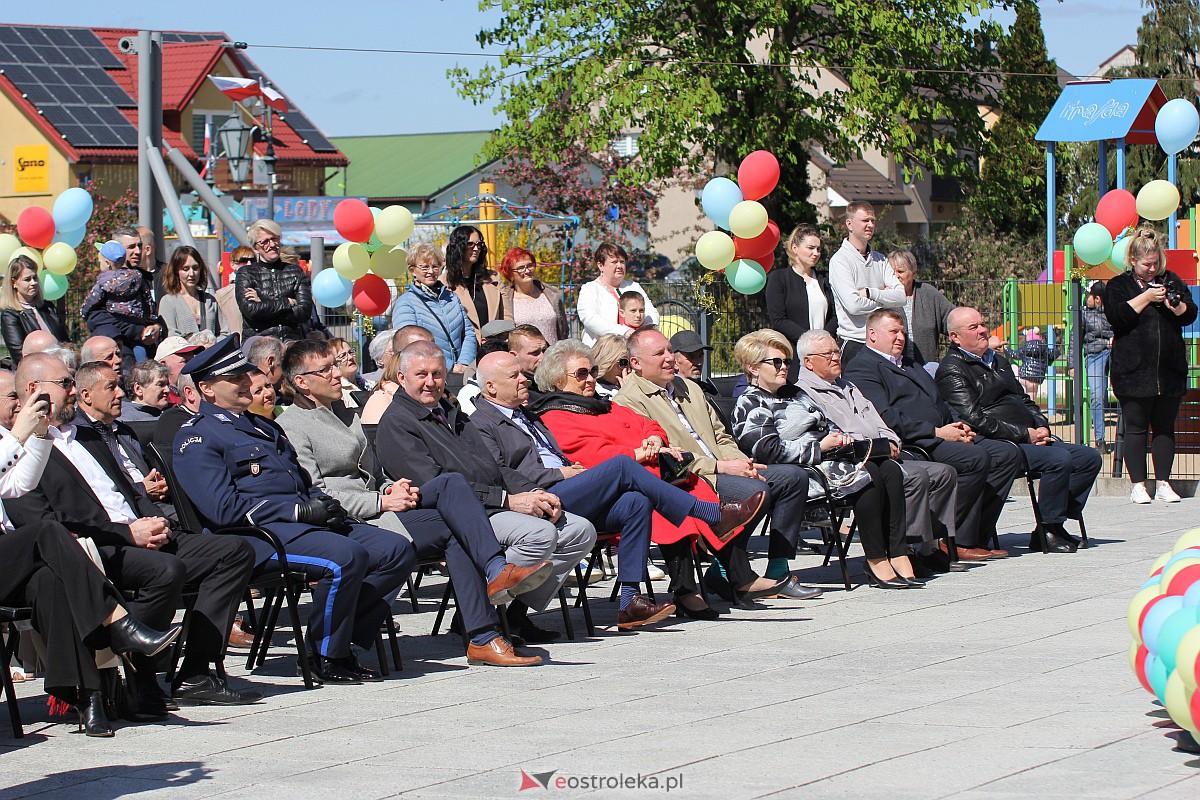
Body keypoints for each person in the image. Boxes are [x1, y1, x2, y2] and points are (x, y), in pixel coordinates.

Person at [6, 354, 259, 711]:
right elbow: (46, 527)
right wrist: (127, 534)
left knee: (233, 551)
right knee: (166, 571)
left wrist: (154, 521)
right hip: (94, 547)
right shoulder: (26, 452)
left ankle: (195, 673)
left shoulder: (90, 435)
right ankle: (140, 674)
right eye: (66, 385)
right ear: (35, 390)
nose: (74, 392)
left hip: (139, 533)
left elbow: (125, 491)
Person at [277, 340, 549, 663]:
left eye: (335, 366)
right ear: (302, 382)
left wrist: (394, 488)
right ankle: (486, 624)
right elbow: (318, 493)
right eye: (326, 369)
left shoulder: (345, 414)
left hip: (383, 506)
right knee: (453, 516)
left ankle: (486, 622)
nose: (337, 374)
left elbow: (374, 472)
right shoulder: (292, 426)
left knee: (452, 488)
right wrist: (381, 502)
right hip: (352, 519)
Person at [171, 335, 416, 684]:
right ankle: (328, 656)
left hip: (305, 525)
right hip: (256, 537)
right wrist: (300, 513)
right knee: (344, 558)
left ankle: (335, 636)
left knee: (396, 550)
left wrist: (324, 504)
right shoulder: (198, 437)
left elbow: (300, 481)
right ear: (208, 389)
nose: (246, 383)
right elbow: (224, 510)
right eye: (235, 379)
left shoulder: (264, 426)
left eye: (245, 375)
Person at [473, 350, 767, 627]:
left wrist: (654, 441)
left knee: (636, 501)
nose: (524, 378)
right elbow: (500, 473)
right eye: (514, 376)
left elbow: (641, 425)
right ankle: (711, 515)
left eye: (594, 372)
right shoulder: (484, 422)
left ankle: (629, 601)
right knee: (624, 467)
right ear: (491, 386)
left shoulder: (526, 413)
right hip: (541, 494)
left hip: (571, 486)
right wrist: (559, 472)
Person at [374, 340, 596, 638]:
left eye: (438, 374)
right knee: (539, 534)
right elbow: (436, 487)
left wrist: (534, 492)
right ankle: (479, 612)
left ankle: (513, 614)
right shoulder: (398, 423)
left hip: (491, 502)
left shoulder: (451, 413)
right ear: (402, 378)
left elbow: (495, 467)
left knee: (579, 530)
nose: (431, 383)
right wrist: (507, 501)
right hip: (457, 516)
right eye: (421, 375)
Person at [616, 329, 811, 602]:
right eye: (659, 354)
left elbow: (721, 435)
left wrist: (739, 460)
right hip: (692, 477)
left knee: (793, 478)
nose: (670, 358)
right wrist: (721, 467)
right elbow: (663, 456)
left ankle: (777, 568)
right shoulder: (628, 400)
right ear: (636, 363)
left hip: (724, 466)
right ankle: (728, 570)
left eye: (670, 351)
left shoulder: (690, 387)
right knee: (754, 491)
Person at [731, 330, 920, 588]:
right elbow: (766, 450)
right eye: (776, 362)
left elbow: (826, 423)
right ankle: (875, 560)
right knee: (870, 475)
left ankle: (897, 552)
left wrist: (838, 438)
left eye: (787, 361)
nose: (784, 367)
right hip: (801, 470)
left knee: (889, 469)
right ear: (754, 368)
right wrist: (819, 447)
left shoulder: (795, 394)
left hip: (830, 460)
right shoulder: (750, 403)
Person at [844, 309, 1020, 561]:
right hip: (915, 442)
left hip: (944, 433)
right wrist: (936, 431)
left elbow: (940, 400)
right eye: (893, 332)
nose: (901, 338)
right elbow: (885, 417)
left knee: (1006, 453)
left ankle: (974, 533)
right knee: (976, 458)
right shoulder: (863, 368)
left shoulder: (910, 363)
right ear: (872, 334)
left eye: (903, 332)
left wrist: (959, 425)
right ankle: (951, 539)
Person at [937, 307, 1103, 553]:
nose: (983, 330)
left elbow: (1024, 400)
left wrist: (1041, 426)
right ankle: (1049, 527)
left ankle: (1051, 523)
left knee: (1088, 458)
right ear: (955, 337)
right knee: (1058, 459)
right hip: (997, 442)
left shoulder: (999, 361)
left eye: (982, 324)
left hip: (1028, 437)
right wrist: (1025, 434)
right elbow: (975, 419)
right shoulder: (953, 369)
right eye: (973, 328)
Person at [792, 329, 960, 571]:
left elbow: (879, 420)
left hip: (881, 453)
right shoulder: (805, 394)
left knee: (943, 473)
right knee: (915, 476)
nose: (835, 357)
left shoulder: (847, 385)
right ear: (808, 361)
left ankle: (928, 547)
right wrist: (877, 447)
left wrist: (891, 441)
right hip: (853, 462)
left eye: (836, 352)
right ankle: (904, 548)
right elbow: (836, 436)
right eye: (827, 354)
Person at [1105, 227, 1199, 504]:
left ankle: (1164, 482)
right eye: (1147, 264)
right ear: (1133, 260)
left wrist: (1175, 304)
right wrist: (1146, 297)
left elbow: (1189, 314)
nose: (1152, 268)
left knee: (1165, 428)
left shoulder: (1171, 280)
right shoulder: (1118, 285)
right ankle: (1138, 484)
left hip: (1169, 370)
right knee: (1135, 428)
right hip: (1133, 371)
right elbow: (1118, 316)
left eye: (1156, 262)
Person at [828, 202, 905, 363]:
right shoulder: (840, 261)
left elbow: (901, 297)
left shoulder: (880, 259)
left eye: (873, 220)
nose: (870, 225)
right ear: (849, 224)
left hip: (882, 344)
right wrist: (885, 299)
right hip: (855, 342)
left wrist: (871, 292)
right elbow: (854, 305)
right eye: (865, 220)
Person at [764, 225, 837, 382]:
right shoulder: (779, 279)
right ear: (795, 248)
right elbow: (778, 319)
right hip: (793, 354)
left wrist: (822, 341)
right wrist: (809, 341)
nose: (816, 253)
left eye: (818, 249)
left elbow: (835, 315)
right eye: (810, 248)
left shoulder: (825, 279)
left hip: (823, 354)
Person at [390, 243, 477, 375]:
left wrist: (464, 363)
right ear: (412, 270)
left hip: (462, 372)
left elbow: (468, 332)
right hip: (429, 373)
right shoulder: (406, 303)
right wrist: (448, 366)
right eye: (424, 267)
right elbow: (408, 344)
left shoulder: (452, 298)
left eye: (435, 266)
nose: (431, 271)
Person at [82, 234, 162, 371]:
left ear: (107, 263)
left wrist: (84, 310)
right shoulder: (138, 278)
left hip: (121, 343)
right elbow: (148, 302)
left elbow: (90, 303)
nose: (137, 251)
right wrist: (149, 320)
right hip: (138, 334)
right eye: (131, 247)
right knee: (142, 365)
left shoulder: (103, 282)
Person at [236, 219, 313, 341]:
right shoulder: (246, 273)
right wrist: (287, 302)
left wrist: (263, 302)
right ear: (256, 247)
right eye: (265, 241)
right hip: (259, 345)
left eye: (274, 239)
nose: (272, 245)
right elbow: (251, 310)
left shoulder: (295, 271)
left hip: (291, 344)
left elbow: (305, 311)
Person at [576, 242, 658, 345]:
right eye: (614, 262)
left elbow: (652, 313)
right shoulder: (589, 289)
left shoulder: (634, 287)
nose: (619, 266)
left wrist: (644, 332)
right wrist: (623, 332)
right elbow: (590, 318)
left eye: (622, 262)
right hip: (601, 352)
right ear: (600, 265)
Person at [887, 250, 955, 365]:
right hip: (892, 371)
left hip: (925, 370)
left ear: (914, 273)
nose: (896, 276)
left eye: (900, 271)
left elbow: (955, 320)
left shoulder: (928, 294)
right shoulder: (882, 297)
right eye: (891, 272)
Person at [359, 326, 435, 425]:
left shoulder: (439, 397)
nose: (431, 358)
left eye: (433, 351)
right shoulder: (383, 402)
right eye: (420, 353)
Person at [1, 254, 67, 364]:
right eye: (27, 279)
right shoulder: (10, 315)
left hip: (63, 365)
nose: (34, 283)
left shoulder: (47, 307)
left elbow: (65, 342)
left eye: (35, 278)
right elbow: (19, 354)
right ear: (14, 283)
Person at [499, 248, 568, 344]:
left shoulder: (551, 295)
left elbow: (563, 329)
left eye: (530, 265)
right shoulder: (505, 300)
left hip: (553, 355)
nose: (527, 271)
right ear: (510, 274)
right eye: (521, 268)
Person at [445, 225, 504, 339]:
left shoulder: (494, 278)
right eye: (470, 244)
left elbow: (506, 317)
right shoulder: (443, 283)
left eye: (479, 244)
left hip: (493, 348)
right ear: (458, 247)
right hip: (463, 350)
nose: (476, 248)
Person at [157, 246, 228, 338]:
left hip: (212, 351)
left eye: (195, 268)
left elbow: (225, 332)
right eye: (185, 269)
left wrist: (212, 345)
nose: (191, 274)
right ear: (176, 271)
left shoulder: (210, 300)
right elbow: (170, 336)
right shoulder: (168, 302)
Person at [1082, 282, 1113, 451]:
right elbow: (1075, 339)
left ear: (1099, 299)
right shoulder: (1085, 314)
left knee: (1127, 392)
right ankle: (1099, 438)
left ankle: (1125, 436)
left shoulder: (1112, 312)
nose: (1087, 299)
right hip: (1094, 354)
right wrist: (1073, 365)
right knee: (1097, 395)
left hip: (1112, 352)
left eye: (1090, 296)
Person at [1008, 327, 1060, 404]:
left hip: (1025, 377)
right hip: (1037, 379)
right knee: (1032, 397)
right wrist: (1056, 349)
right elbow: (1054, 354)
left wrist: (1006, 349)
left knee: (1013, 367)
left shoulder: (1025, 347)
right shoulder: (1045, 349)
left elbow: (1014, 354)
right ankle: (1032, 410)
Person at [214, 245, 252, 336]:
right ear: (232, 265)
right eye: (243, 261)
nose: (250, 264)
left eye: (253, 260)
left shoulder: (263, 289)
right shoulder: (221, 295)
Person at [330, 337, 369, 408]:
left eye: (351, 352)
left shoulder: (369, 384)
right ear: (333, 363)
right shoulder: (340, 393)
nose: (350, 357)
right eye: (343, 356)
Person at [591, 333, 631, 398]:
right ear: (607, 361)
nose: (629, 370)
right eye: (624, 363)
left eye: (631, 364)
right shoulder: (593, 392)